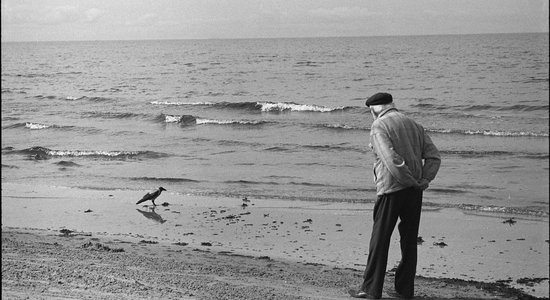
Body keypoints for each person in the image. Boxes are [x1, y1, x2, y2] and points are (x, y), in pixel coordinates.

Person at [349, 92, 441, 299]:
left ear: (374, 110)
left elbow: (391, 159)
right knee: (409, 241)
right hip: (414, 192)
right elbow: (434, 157)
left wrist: (409, 180)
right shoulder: (414, 125)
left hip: (391, 189)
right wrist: (423, 180)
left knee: (380, 239)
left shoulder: (379, 126)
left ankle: (371, 290)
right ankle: (404, 289)